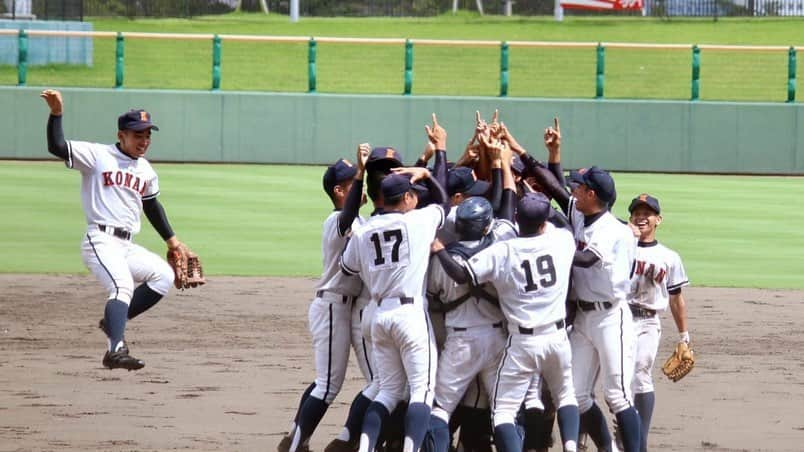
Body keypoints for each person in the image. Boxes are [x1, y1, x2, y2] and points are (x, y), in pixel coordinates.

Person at [40, 89, 193, 371]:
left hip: (126, 245)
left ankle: (113, 322)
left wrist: (173, 242)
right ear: (121, 134)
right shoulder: (98, 155)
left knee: (163, 276)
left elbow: (152, 206)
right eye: (138, 135)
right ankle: (115, 349)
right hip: (100, 239)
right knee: (122, 285)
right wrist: (56, 113)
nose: (144, 141)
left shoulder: (146, 170)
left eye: (148, 135)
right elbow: (57, 146)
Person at [433, 192, 580, 452]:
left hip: (520, 342)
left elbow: (460, 274)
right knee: (566, 395)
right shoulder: (562, 241)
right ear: (544, 222)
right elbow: (565, 223)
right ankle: (570, 446)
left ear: (515, 219)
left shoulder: (503, 250)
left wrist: (440, 250)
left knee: (503, 412)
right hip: (557, 337)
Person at [340, 164, 449, 452]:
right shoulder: (418, 221)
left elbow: (347, 266)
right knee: (422, 392)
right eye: (413, 194)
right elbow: (444, 204)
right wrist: (427, 175)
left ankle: (365, 448)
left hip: (378, 315)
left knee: (387, 391)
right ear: (407, 198)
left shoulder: (363, 231)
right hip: (409, 315)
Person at [278, 146, 370, 452]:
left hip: (341, 307)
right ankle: (296, 446)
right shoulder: (338, 221)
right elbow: (349, 213)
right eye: (355, 183)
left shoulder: (357, 221)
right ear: (340, 190)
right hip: (332, 305)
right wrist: (360, 170)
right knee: (329, 385)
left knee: (324, 381)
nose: (362, 186)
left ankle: (294, 436)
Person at [627, 194, 690, 452]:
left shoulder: (669, 257)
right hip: (616, 318)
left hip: (647, 322)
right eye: (637, 213)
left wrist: (684, 335)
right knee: (615, 380)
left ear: (658, 220)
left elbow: (676, 299)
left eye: (647, 213)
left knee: (641, 371)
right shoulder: (620, 246)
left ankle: (639, 441)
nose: (641, 217)